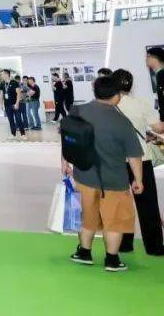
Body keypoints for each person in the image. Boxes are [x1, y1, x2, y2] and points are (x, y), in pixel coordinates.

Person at [65, 73, 145, 272]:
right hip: (114, 181)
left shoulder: (77, 111)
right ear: (116, 95)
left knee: (87, 217)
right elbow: (134, 155)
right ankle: (112, 260)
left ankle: (84, 253)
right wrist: (138, 179)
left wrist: (65, 162)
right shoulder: (121, 122)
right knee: (115, 221)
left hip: (83, 176)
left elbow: (67, 140)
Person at [113, 68, 164, 256]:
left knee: (121, 202)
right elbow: (159, 127)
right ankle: (155, 247)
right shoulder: (141, 104)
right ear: (131, 85)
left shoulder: (108, 107)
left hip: (117, 160)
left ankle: (124, 243)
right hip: (142, 159)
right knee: (148, 204)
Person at [1, 70, 26, 139]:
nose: (1, 76)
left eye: (2, 74)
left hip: (15, 104)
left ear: (7, 74)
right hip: (7, 105)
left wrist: (17, 103)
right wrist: (1, 104)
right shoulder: (2, 84)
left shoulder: (14, 82)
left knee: (19, 119)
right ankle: (13, 134)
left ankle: (23, 134)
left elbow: (18, 93)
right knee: (11, 120)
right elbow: (1, 94)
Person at [148, 46, 164, 120]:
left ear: (155, 58)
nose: (146, 59)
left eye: (148, 57)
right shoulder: (158, 74)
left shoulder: (161, 74)